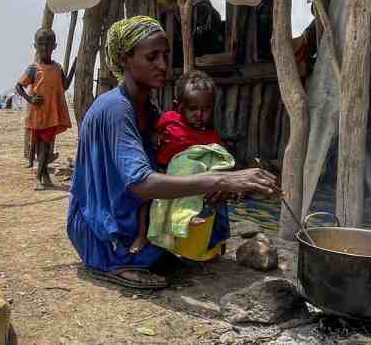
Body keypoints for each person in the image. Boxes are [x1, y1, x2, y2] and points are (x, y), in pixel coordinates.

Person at [67, 16, 279, 290]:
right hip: (101, 226)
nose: (163, 65)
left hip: (127, 213)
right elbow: (142, 184)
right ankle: (112, 263)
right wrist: (225, 179)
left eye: (166, 55)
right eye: (152, 57)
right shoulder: (116, 109)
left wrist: (218, 181)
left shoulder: (148, 107)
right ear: (124, 59)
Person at [130, 70, 230, 254]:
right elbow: (151, 130)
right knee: (143, 201)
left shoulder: (211, 137)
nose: (199, 114)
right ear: (179, 107)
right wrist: (154, 137)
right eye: (193, 109)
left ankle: (200, 231)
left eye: (206, 109)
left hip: (188, 184)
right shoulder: (169, 120)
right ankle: (142, 235)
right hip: (162, 175)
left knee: (207, 199)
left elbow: (222, 160)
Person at [15, 28, 75, 190]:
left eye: (48, 44)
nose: (44, 48)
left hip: (52, 114)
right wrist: (30, 99)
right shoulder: (33, 69)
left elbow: (65, 86)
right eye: (41, 44)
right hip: (38, 115)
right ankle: (42, 177)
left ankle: (40, 177)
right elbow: (19, 87)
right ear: (35, 45)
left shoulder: (57, 68)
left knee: (46, 146)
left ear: (54, 46)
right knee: (40, 146)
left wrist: (75, 67)